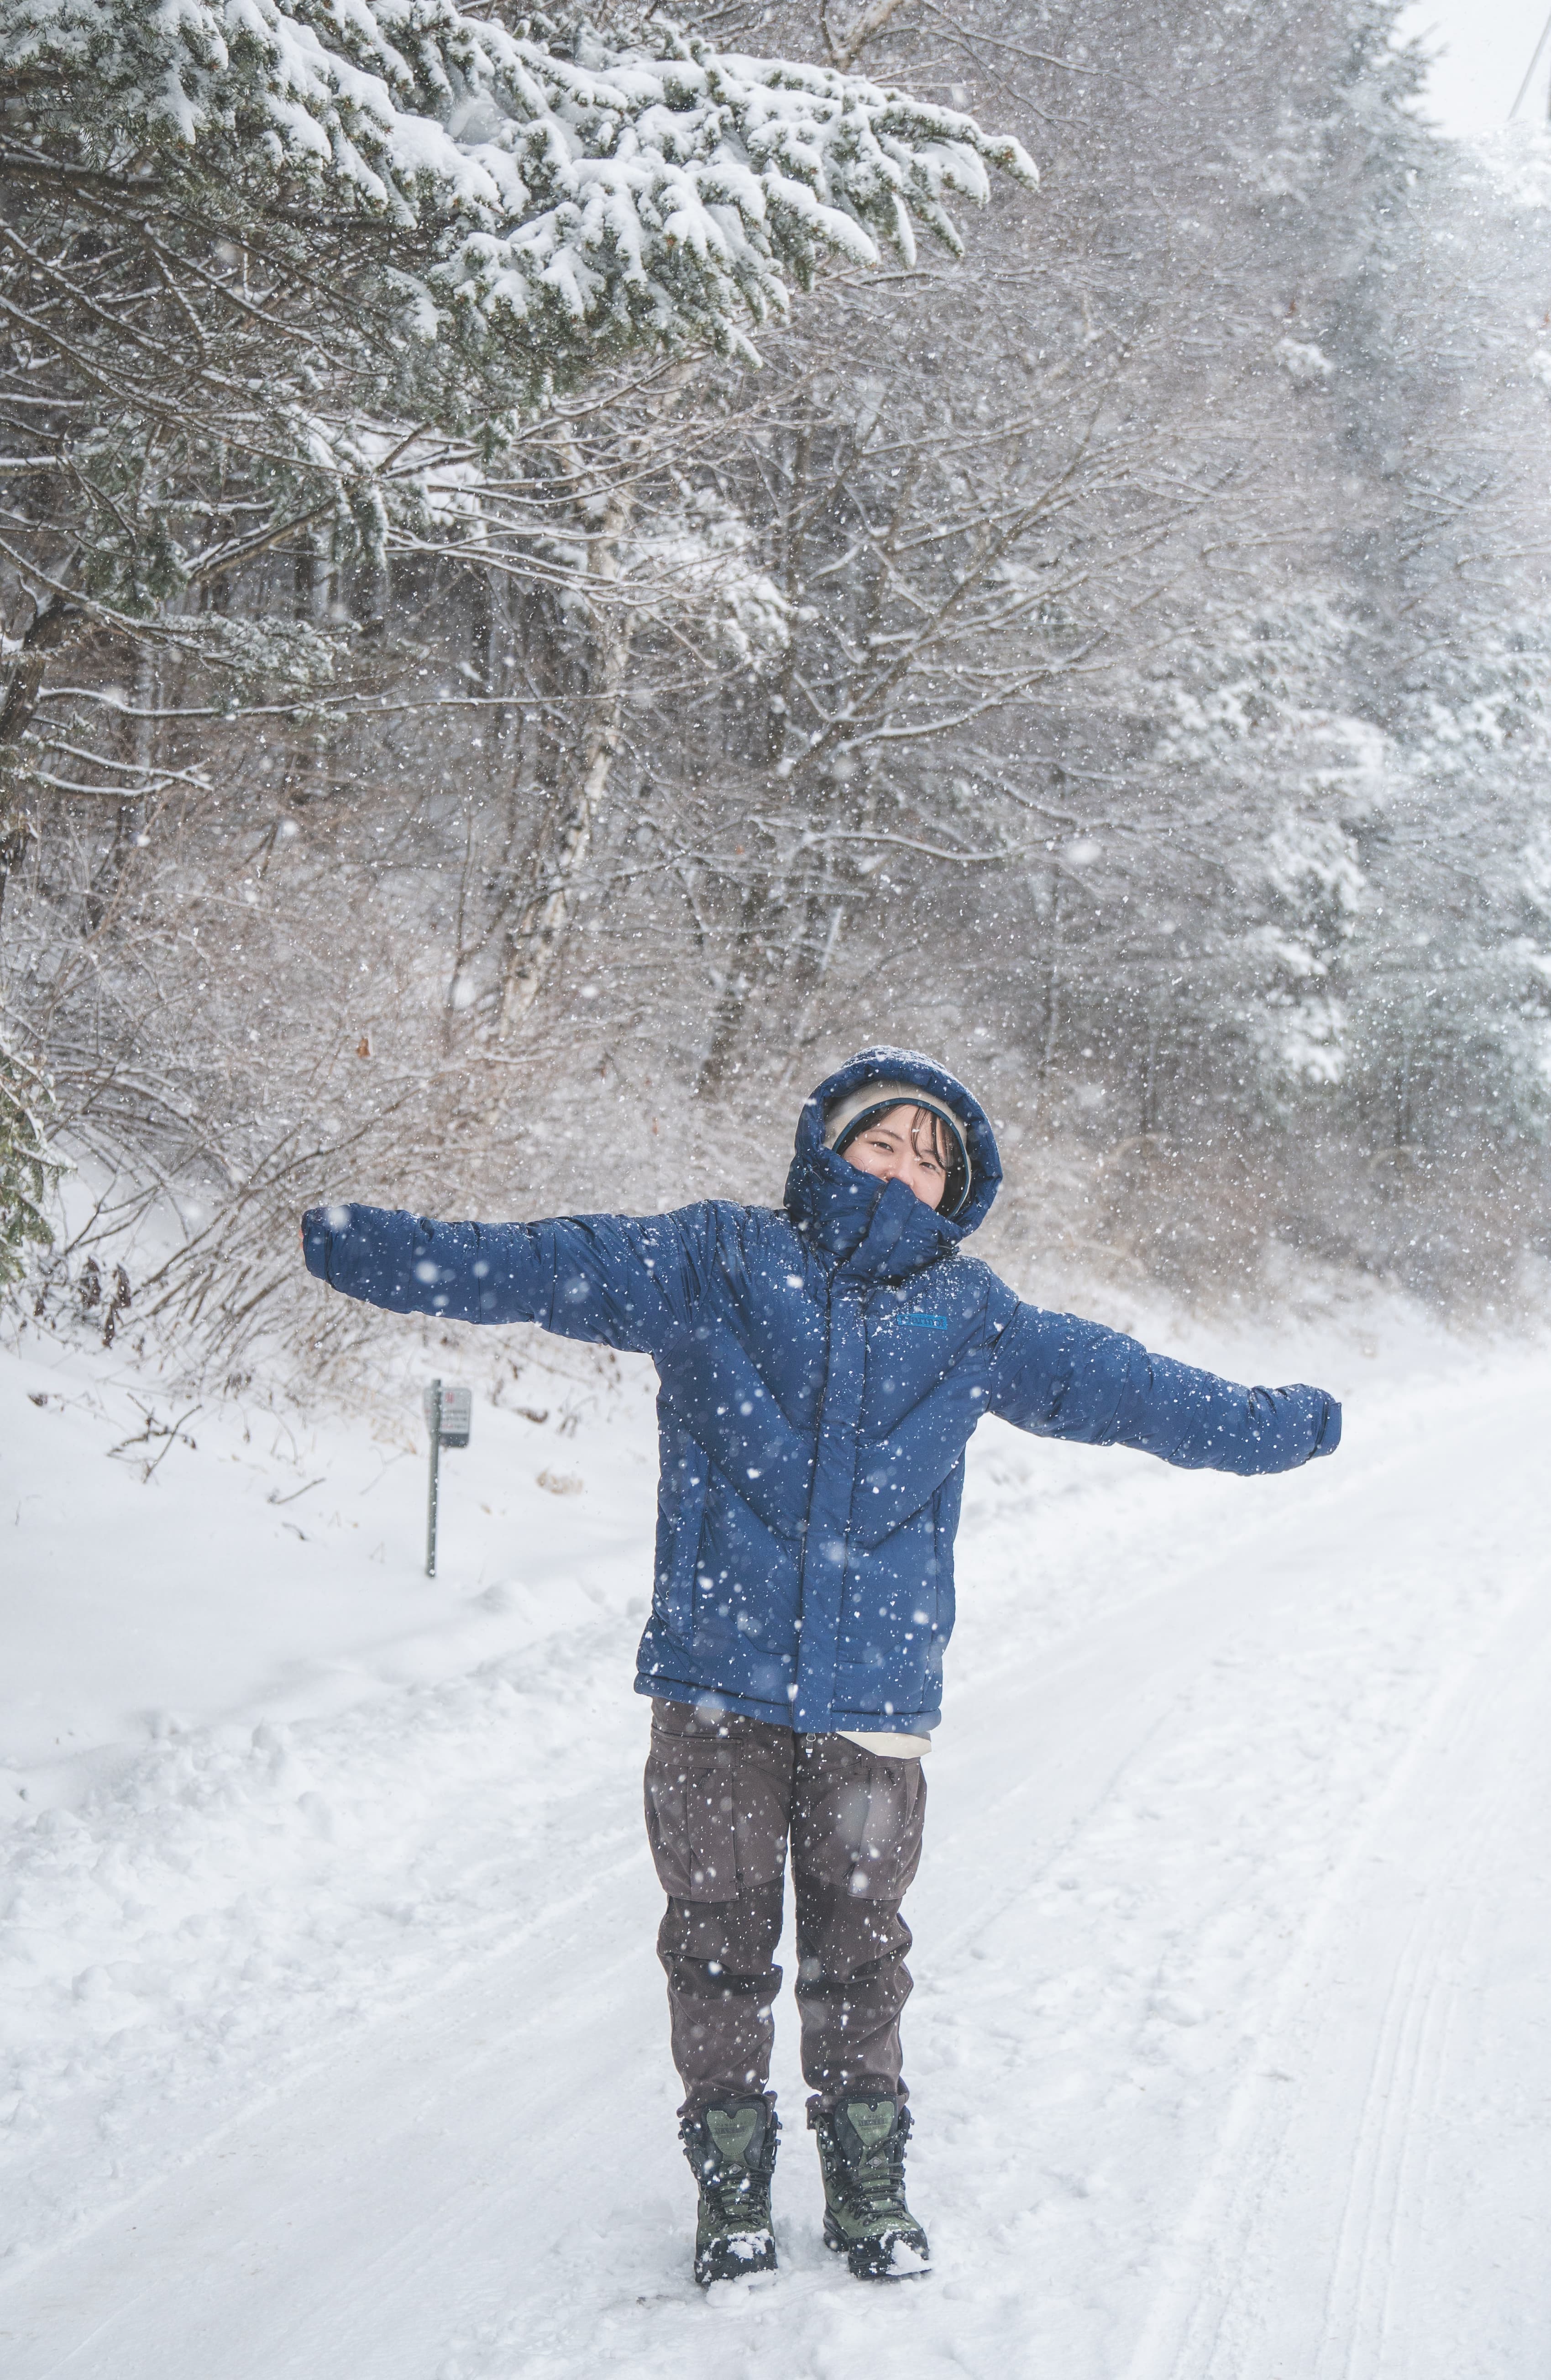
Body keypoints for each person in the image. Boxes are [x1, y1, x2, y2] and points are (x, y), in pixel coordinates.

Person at [301, 1046, 1340, 2286]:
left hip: (874, 1707)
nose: (905, 1173)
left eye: (932, 1159)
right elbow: (544, 1267)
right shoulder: (717, 1261)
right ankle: (732, 2188)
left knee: (861, 1946)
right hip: (714, 1686)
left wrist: (1271, 1426)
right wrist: (383, 1248)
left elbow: (1131, 1391)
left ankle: (867, 2185)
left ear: (958, 1193)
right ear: (829, 1146)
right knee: (717, 1938)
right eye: (884, 1144)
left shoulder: (974, 1319)